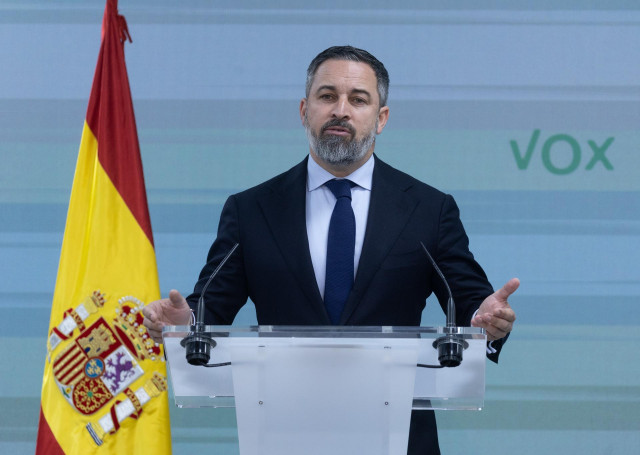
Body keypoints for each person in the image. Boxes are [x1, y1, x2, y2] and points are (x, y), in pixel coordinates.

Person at [143, 45, 518, 454]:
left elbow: (470, 305)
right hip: (283, 430)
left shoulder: (428, 209)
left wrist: (486, 321)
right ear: (304, 110)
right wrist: (186, 322)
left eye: (358, 99)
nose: (341, 110)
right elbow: (211, 307)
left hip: (398, 435)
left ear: (381, 118)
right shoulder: (252, 209)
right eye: (327, 96)